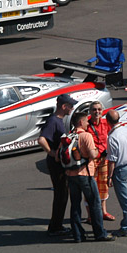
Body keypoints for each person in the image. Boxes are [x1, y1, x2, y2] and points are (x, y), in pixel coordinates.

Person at [64, 111, 114, 242]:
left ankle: (78, 234)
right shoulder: (86, 136)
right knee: (95, 203)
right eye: (86, 121)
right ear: (81, 122)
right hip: (85, 174)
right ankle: (100, 233)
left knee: (75, 204)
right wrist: (97, 151)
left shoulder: (68, 136)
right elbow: (93, 154)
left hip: (71, 174)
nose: (87, 123)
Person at [38, 94, 74, 237]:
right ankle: (55, 226)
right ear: (64, 106)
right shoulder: (54, 121)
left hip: (58, 163)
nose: (72, 108)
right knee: (61, 194)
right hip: (56, 164)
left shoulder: (58, 120)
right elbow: (41, 139)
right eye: (70, 106)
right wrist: (52, 153)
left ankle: (56, 225)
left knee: (62, 194)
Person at [86, 102, 114, 223]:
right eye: (94, 110)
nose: (97, 112)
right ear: (90, 111)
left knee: (103, 186)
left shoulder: (105, 123)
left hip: (103, 160)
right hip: (91, 160)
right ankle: (90, 215)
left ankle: (103, 212)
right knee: (90, 188)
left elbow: (112, 136)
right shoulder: (86, 125)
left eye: (99, 109)